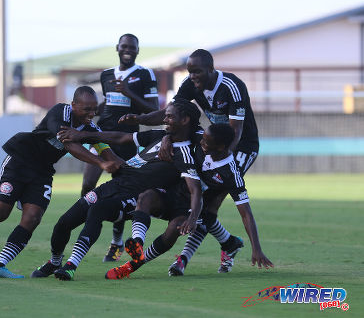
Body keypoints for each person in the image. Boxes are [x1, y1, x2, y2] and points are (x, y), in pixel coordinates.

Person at [0, 86, 121, 278]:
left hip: (42, 171)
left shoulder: (91, 128)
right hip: (20, 160)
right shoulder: (61, 112)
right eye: (86, 109)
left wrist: (130, 168)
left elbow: (109, 153)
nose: (91, 113)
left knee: (33, 218)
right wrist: (100, 163)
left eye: (94, 109)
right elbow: (69, 144)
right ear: (74, 105)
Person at [119, 48, 260, 273]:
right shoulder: (190, 84)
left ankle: (186, 257)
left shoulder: (232, 87)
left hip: (239, 147)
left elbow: (236, 131)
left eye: (197, 72)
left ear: (211, 69)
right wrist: (146, 121)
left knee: (209, 204)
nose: (193, 77)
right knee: (199, 202)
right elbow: (171, 112)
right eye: (190, 71)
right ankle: (228, 244)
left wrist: (220, 162)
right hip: (214, 147)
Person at [30, 99, 201, 280]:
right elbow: (121, 137)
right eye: (165, 116)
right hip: (117, 183)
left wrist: (193, 217)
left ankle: (71, 265)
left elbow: (195, 188)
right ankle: (55, 261)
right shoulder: (160, 136)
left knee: (97, 211)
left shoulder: (186, 154)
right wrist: (83, 136)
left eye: (169, 117)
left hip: (133, 195)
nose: (164, 120)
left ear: (185, 120)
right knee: (64, 223)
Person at [106, 123, 273, 279]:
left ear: (221, 147)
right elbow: (176, 130)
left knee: (174, 229)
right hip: (171, 192)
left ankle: (132, 265)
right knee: (145, 197)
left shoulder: (231, 174)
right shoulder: (200, 137)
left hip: (190, 208)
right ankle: (137, 244)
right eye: (202, 139)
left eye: (207, 142)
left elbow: (246, 214)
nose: (201, 143)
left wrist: (256, 248)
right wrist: (166, 138)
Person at [82, 33, 160, 263]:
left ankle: (116, 242)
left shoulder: (145, 75)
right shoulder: (106, 75)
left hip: (128, 138)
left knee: (121, 190)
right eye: (124, 46)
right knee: (88, 182)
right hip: (103, 134)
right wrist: (89, 111)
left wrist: (129, 92)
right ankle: (85, 224)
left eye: (132, 47)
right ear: (117, 47)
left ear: (137, 50)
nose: (128, 50)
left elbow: (153, 108)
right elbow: (108, 103)